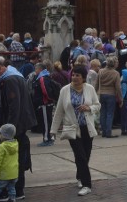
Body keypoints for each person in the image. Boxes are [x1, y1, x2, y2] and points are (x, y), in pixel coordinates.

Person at [0, 58, 35, 201]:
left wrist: (9, 130)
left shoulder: (10, 80)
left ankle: (14, 191)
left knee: (12, 161)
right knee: (15, 159)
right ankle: (16, 191)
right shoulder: (15, 76)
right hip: (20, 125)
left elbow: (14, 106)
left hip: (16, 127)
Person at [50, 65, 100, 197]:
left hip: (87, 128)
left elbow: (97, 105)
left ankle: (80, 176)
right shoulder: (65, 90)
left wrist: (89, 108)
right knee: (80, 156)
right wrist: (53, 130)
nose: (75, 77)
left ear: (83, 77)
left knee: (86, 155)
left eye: (78, 75)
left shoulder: (89, 89)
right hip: (72, 129)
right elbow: (59, 110)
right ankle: (86, 185)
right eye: (73, 75)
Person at [97, 56, 122, 138]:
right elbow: (118, 87)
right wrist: (120, 99)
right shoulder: (116, 73)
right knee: (110, 114)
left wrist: (95, 92)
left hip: (101, 94)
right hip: (111, 94)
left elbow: (96, 84)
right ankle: (108, 132)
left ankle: (104, 131)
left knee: (103, 113)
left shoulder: (100, 71)